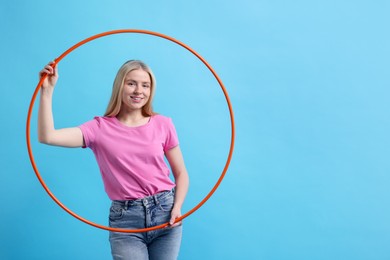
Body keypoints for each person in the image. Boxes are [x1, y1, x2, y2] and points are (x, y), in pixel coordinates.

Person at [38, 60, 189, 260]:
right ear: (120, 86)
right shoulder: (98, 128)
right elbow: (47, 136)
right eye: (131, 83)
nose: (139, 91)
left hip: (165, 213)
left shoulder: (163, 124)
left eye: (146, 85)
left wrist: (177, 208)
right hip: (126, 220)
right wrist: (46, 92)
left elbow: (181, 173)